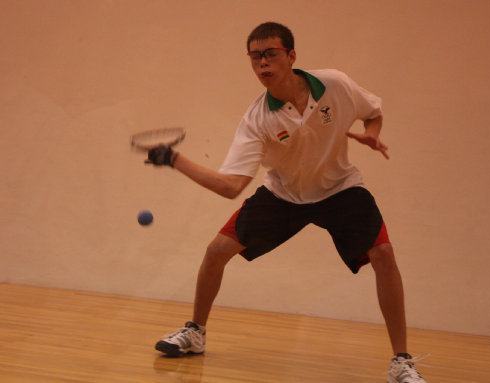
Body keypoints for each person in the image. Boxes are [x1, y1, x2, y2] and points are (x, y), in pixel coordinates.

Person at [146, 22, 426, 383]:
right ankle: (195, 332)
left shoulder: (335, 84)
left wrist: (372, 135)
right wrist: (175, 160)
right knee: (217, 251)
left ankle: (401, 363)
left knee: (384, 256)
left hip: (340, 189)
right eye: (255, 57)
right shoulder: (257, 118)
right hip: (284, 196)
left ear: (291, 56)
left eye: (271, 54)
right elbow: (232, 186)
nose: (263, 63)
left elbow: (372, 110)